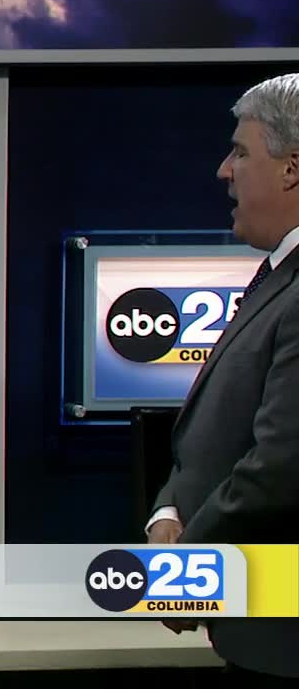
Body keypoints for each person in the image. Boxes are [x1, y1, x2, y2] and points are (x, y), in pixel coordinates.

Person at [146, 73, 299, 683]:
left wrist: (187, 570)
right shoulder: (276, 279)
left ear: (291, 169)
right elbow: (213, 435)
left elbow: (281, 465)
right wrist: (167, 511)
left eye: (240, 152)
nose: (223, 171)